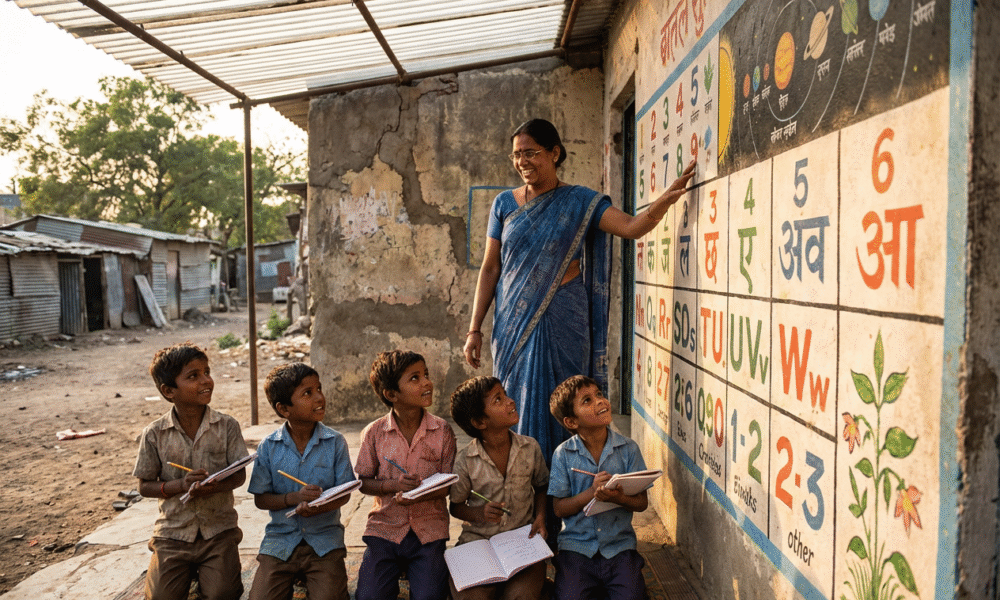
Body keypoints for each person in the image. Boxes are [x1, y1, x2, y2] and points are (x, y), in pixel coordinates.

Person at [463, 118, 696, 462]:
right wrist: (474, 329)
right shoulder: (504, 205)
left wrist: (665, 200)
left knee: (568, 400)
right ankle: (526, 491)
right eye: (516, 155)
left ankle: (569, 489)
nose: (522, 162)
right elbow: (491, 268)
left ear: (554, 153)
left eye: (531, 153)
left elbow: (631, 227)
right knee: (516, 403)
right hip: (512, 323)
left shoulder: (580, 201)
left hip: (565, 320)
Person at [133, 342, 249, 600]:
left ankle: (205, 574)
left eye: (207, 372)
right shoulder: (154, 433)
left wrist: (215, 485)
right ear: (168, 390)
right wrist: (181, 486)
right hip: (172, 533)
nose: (206, 380)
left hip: (218, 531)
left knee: (223, 594)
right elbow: (144, 486)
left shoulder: (227, 426)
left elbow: (239, 475)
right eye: (193, 376)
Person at [246, 363, 356, 600]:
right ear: (284, 409)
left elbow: (345, 492)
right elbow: (261, 499)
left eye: (319, 389)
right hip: (280, 540)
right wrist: (294, 498)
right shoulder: (268, 447)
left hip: (325, 540)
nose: (319, 397)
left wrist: (318, 506)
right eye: (308, 393)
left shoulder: (335, 442)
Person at [354, 350, 457, 600]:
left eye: (426, 375)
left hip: (429, 530)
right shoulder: (375, 433)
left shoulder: (442, 431)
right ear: (391, 395)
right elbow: (363, 482)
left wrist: (419, 495)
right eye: (414, 378)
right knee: (369, 597)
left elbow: (447, 486)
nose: (426, 382)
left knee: (430, 596)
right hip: (385, 528)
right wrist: (392, 485)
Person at [547, 375, 651, 600]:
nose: (600, 402)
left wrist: (619, 498)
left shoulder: (628, 449)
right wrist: (590, 493)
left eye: (600, 395)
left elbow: (642, 503)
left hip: (619, 546)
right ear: (571, 422)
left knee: (633, 596)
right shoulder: (563, 455)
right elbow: (559, 509)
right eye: (587, 400)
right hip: (577, 548)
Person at [448, 375, 549, 600]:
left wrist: (540, 517)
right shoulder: (465, 460)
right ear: (480, 422)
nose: (510, 401)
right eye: (498, 400)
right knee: (470, 597)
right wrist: (478, 513)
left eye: (505, 395)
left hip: (522, 542)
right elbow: (455, 507)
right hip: (478, 542)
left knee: (520, 596)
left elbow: (542, 487)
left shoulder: (530, 448)